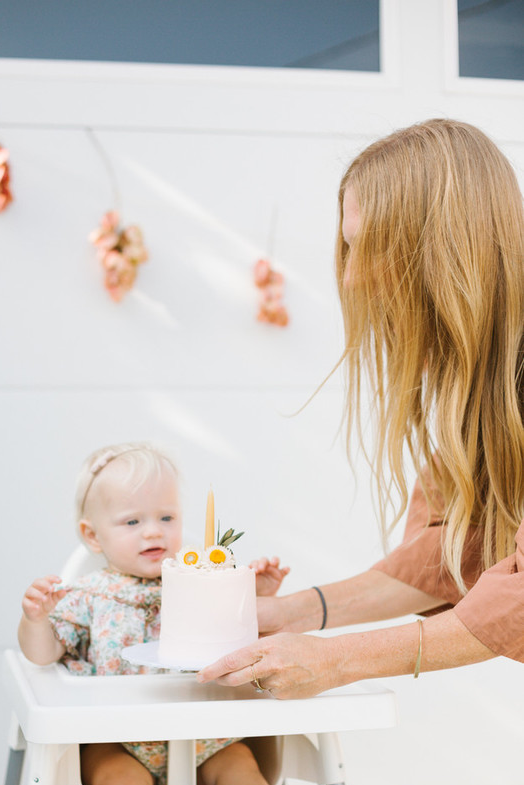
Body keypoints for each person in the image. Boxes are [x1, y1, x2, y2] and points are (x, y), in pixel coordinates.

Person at [197, 118, 524, 699]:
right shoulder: (472, 385)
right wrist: (290, 616)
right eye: (347, 247)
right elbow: (452, 551)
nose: (349, 275)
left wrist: (339, 662)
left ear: (446, 246)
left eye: (369, 248)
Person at [18, 442, 317, 785]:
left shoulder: (199, 583)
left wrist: (254, 596)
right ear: (92, 536)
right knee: (115, 779)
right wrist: (36, 619)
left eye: (166, 516)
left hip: (203, 738)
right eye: (132, 522)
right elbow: (43, 656)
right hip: (117, 740)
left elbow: (237, 636)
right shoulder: (86, 595)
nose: (154, 530)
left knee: (238, 763)